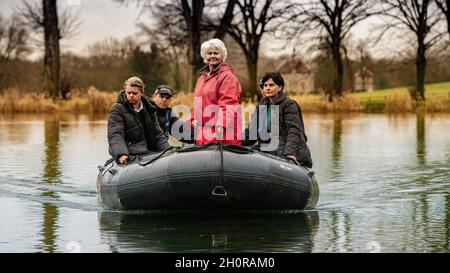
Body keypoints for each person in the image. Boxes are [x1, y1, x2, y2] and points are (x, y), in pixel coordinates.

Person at [243, 71, 313, 168]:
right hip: (268, 152)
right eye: (265, 85)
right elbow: (252, 133)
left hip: (286, 152)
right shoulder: (261, 107)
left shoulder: (289, 105)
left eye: (271, 85)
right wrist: (233, 142)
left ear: (280, 87)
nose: (267, 88)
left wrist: (290, 153)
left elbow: (294, 131)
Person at [108, 76, 169, 165]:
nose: (131, 95)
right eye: (128, 93)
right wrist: (121, 154)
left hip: (148, 153)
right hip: (129, 153)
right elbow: (115, 135)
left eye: (134, 93)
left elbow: (157, 134)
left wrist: (168, 151)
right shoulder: (117, 109)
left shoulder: (150, 108)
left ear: (141, 93)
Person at [191, 38, 242, 145]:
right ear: (205, 56)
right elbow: (198, 103)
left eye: (216, 53)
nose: (212, 56)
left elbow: (229, 104)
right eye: (209, 53)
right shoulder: (201, 78)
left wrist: (221, 125)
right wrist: (193, 118)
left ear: (222, 55)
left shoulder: (228, 77)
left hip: (222, 133)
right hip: (204, 133)